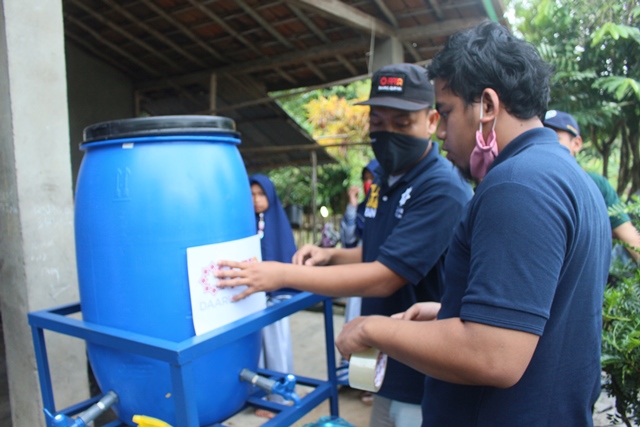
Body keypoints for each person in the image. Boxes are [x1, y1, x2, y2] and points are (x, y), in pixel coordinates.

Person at [335, 21, 611, 426]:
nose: (442, 133)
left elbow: (493, 354)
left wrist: (373, 330)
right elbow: (544, 315)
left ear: (486, 106)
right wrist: (449, 312)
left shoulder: (517, 184)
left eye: (445, 113)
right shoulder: (569, 177)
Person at [216, 63, 473, 427]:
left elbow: (386, 275)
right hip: (386, 359)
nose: (388, 134)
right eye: (378, 123)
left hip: (424, 369)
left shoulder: (441, 188)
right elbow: (379, 251)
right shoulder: (384, 180)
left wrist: (280, 274)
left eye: (402, 125)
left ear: (431, 121)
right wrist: (330, 254)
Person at [543, 110, 640, 264]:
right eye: (541, 136)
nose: (545, 144)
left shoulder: (597, 185)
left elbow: (630, 239)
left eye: (555, 138)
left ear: (576, 143)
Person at [249, 174, 297, 419]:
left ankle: (279, 396)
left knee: (277, 348)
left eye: (261, 194)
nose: (256, 200)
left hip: (275, 298)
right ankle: (259, 398)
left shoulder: (279, 223)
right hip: (252, 299)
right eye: (252, 194)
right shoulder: (244, 222)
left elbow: (286, 256)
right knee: (255, 350)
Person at [337, 160, 379, 398]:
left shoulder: (389, 210)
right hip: (359, 275)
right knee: (353, 322)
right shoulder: (362, 209)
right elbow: (349, 241)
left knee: (373, 326)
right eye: (365, 178)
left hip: (379, 277)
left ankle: (369, 382)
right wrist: (352, 206)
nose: (368, 183)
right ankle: (350, 376)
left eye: (373, 178)